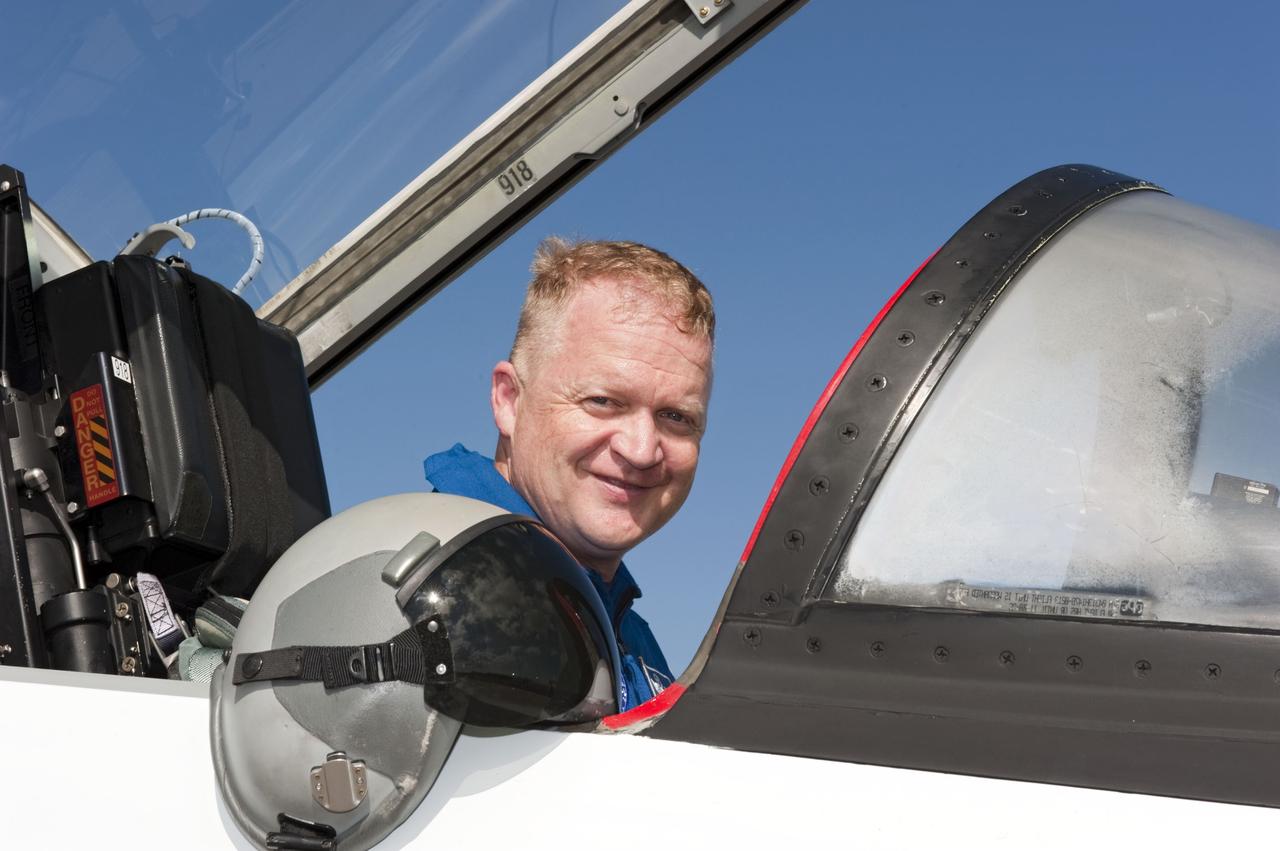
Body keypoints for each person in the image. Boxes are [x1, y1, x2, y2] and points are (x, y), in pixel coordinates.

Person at [423, 237, 714, 712]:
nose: (641, 451)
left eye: (676, 417)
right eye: (603, 401)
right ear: (509, 401)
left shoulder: (626, 633)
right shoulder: (429, 602)